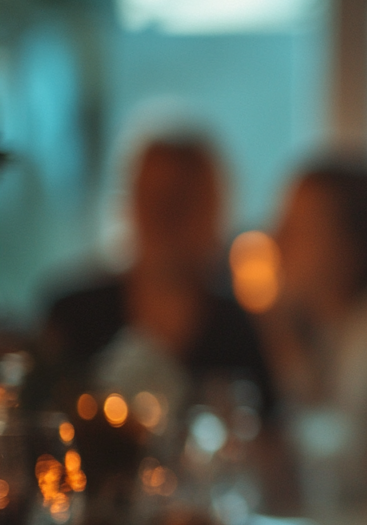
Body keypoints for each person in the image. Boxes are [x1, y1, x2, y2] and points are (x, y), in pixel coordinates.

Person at [42, 135, 275, 417]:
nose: (166, 216)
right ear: (132, 203)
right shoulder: (73, 317)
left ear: (213, 210)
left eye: (182, 201)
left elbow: (270, 441)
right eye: (155, 197)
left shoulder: (239, 332)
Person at [264, 162, 367, 518]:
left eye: (297, 229)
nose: (275, 239)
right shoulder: (330, 334)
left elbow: (365, 477)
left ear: (349, 249)